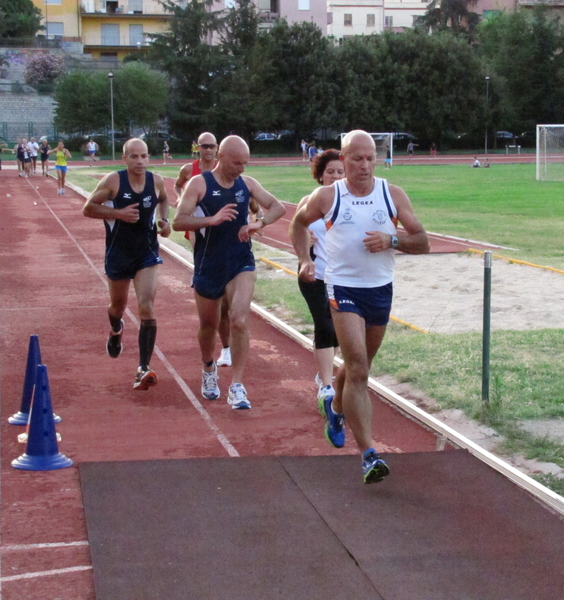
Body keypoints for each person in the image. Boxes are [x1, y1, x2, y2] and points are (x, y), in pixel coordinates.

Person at [290, 130, 429, 484]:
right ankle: (369, 454)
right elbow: (297, 223)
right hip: (342, 288)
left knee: (358, 368)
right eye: (357, 158)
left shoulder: (392, 194)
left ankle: (336, 409)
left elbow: (423, 241)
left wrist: (392, 239)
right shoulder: (327, 196)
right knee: (359, 371)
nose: (364, 165)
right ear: (345, 159)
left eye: (370, 158)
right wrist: (305, 259)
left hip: (380, 289)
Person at [173, 135, 285, 409]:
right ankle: (209, 369)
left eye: (245, 163)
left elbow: (277, 207)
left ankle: (237, 385)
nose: (242, 169)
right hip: (209, 264)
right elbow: (178, 221)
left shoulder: (246, 184)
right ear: (222, 157)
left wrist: (258, 224)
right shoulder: (199, 184)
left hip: (240, 262)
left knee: (238, 320)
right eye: (237, 163)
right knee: (209, 327)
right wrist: (211, 219)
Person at [82, 138, 171, 390]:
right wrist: (118, 214)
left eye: (144, 156)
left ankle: (143, 367)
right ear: (125, 159)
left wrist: (165, 221)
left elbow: (164, 199)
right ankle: (115, 328)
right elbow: (88, 208)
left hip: (146, 253)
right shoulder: (113, 181)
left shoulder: (156, 181)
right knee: (118, 306)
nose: (140, 161)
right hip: (118, 254)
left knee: (147, 307)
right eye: (134, 156)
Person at [173, 133, 232, 368]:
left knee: (225, 303)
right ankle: (201, 272)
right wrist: (181, 199)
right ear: (197, 148)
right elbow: (178, 186)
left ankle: (228, 348)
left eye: (211, 146)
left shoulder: (222, 169)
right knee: (201, 251)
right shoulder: (190, 169)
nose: (207, 150)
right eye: (204, 146)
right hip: (198, 225)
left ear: (217, 149)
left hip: (219, 228)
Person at [294, 149, 343, 421]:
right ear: (321, 176)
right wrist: (305, 249)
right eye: (331, 172)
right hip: (314, 274)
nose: (336, 176)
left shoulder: (352, 203)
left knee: (338, 328)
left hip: (343, 278)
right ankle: (326, 386)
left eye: (340, 172)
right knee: (324, 324)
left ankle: (323, 369)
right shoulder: (310, 202)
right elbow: (296, 229)